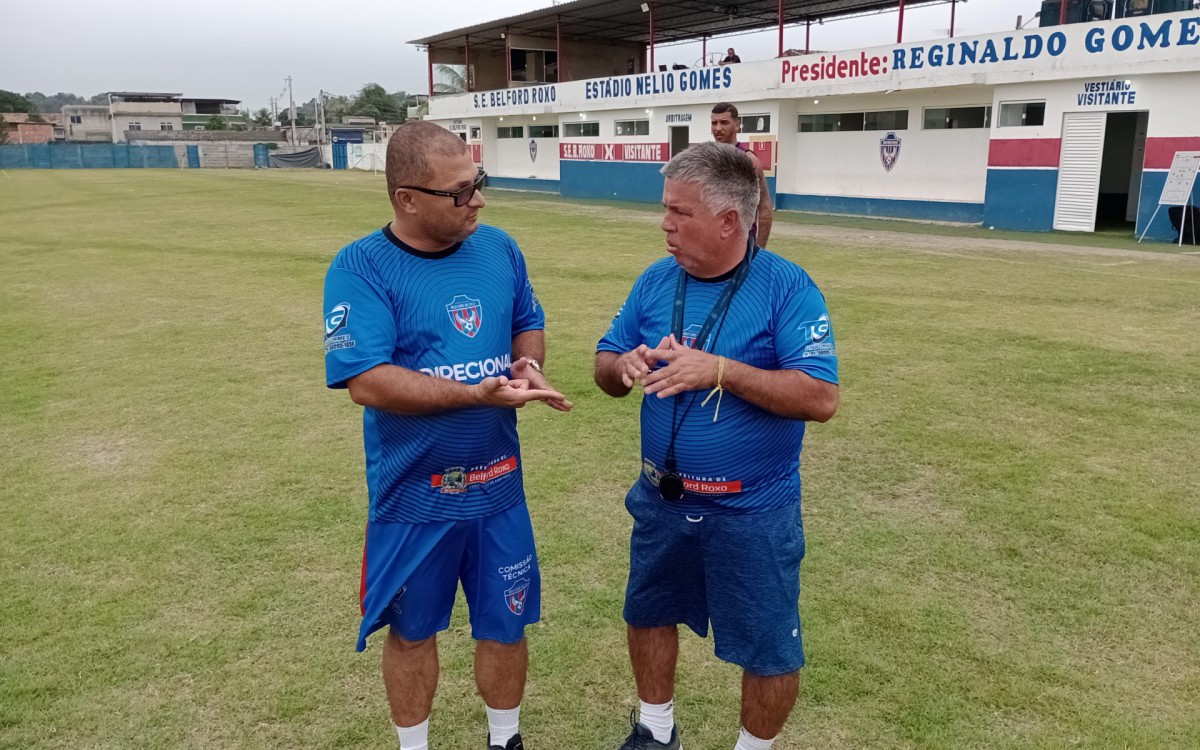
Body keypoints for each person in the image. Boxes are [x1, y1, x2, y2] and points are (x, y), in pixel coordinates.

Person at [323, 121, 572, 750]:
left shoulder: (499, 250)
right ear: (408, 199)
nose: (478, 200)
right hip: (414, 498)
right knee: (410, 632)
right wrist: (473, 393)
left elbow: (528, 321)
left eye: (478, 182)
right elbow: (367, 381)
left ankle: (505, 739)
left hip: (498, 488)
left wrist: (528, 365)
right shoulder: (361, 266)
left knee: (506, 626)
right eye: (459, 193)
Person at [594, 142, 839, 750]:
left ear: (731, 221)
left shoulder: (786, 287)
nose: (665, 224)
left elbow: (820, 397)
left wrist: (720, 370)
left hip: (752, 510)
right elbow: (603, 363)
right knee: (647, 612)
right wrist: (620, 365)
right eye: (666, 209)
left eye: (680, 212)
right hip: (661, 501)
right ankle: (655, 729)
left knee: (769, 646)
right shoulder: (656, 280)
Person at [710, 102, 773, 248]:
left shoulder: (749, 161)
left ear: (737, 125)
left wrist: (760, 251)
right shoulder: (708, 159)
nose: (718, 128)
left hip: (741, 245)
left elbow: (764, 207)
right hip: (712, 243)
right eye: (714, 123)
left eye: (724, 122)